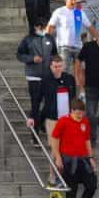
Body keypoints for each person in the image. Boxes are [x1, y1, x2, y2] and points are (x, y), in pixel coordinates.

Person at [38, 55, 78, 184]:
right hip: (52, 119)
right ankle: (53, 175)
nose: (58, 69)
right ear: (50, 66)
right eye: (55, 66)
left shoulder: (69, 79)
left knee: (65, 147)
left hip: (67, 119)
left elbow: (74, 98)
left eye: (60, 66)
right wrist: (34, 117)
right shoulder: (45, 80)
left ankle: (63, 175)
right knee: (55, 148)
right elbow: (37, 100)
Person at [50, 100, 97, 198]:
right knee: (71, 192)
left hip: (83, 160)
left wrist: (91, 158)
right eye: (78, 113)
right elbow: (54, 139)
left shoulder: (85, 121)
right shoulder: (63, 121)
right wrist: (58, 158)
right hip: (69, 161)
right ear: (72, 110)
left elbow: (87, 140)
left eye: (82, 113)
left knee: (92, 185)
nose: (80, 116)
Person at [17, 17, 58, 133]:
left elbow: (55, 54)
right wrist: (32, 59)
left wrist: (53, 65)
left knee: (50, 103)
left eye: (45, 27)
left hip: (48, 76)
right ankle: (34, 133)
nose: (44, 29)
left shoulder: (50, 38)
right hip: (34, 77)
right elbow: (19, 54)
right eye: (41, 27)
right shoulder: (28, 40)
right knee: (35, 104)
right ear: (36, 27)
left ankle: (40, 121)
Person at [48, 0, 91, 75]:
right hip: (64, 47)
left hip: (78, 46)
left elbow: (90, 27)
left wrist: (98, 38)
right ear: (66, 1)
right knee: (64, 70)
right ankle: (63, 87)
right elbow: (50, 27)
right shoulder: (59, 11)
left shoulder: (79, 12)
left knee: (81, 70)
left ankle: (81, 88)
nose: (73, 1)